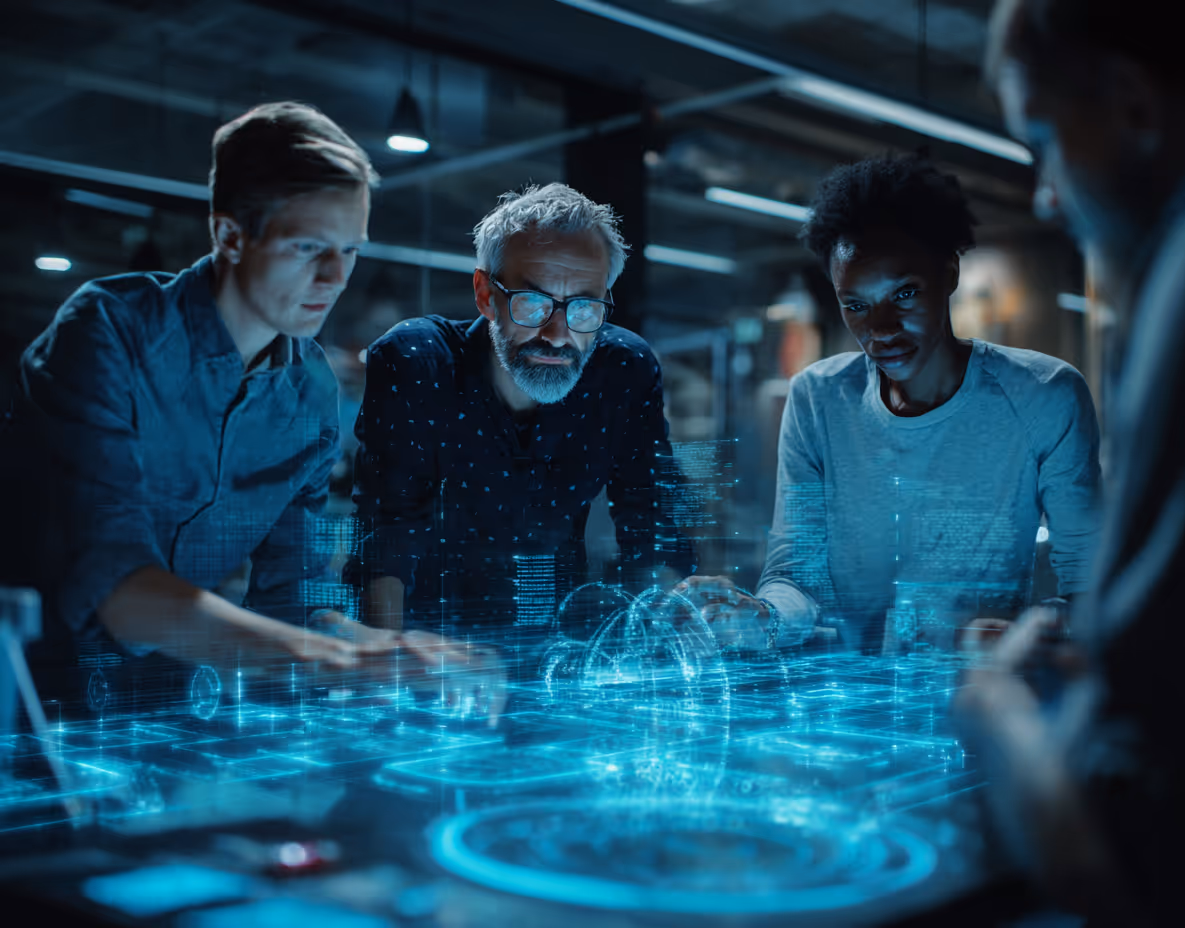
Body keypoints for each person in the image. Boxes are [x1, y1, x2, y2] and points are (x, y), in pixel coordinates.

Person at [0, 102, 501, 720]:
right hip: (19, 693)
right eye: (307, 247)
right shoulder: (109, 330)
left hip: (154, 712)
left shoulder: (312, 388)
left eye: (349, 249)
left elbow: (294, 593)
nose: (334, 277)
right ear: (230, 235)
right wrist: (337, 660)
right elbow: (113, 581)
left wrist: (384, 645)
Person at [955, 1, 1185, 924]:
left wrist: (994, 709)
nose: (1043, 194)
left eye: (1043, 136)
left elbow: (1119, 848)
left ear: (1133, 107)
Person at [679, 155, 1101, 654]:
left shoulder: (1043, 393)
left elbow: (1092, 589)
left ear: (949, 274)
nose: (879, 329)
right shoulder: (817, 398)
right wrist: (763, 616)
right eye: (855, 304)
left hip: (983, 695)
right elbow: (797, 576)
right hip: (850, 701)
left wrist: (1024, 634)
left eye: (904, 294)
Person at [350, 183, 695, 656]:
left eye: (583, 306)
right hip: (428, 645)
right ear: (485, 295)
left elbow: (653, 519)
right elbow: (387, 530)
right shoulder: (418, 359)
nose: (557, 335)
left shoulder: (624, 368)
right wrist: (390, 662)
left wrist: (672, 623)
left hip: (558, 647)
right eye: (533, 303)